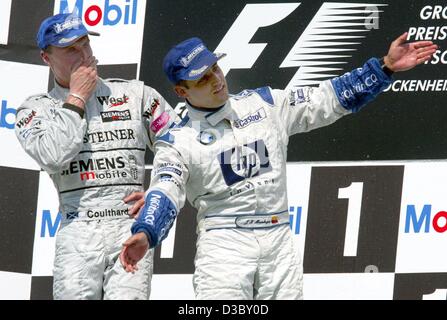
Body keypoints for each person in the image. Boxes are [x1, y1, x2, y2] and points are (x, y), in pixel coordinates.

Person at [120, 34, 437, 299]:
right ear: (181, 91)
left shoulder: (265, 103)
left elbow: (325, 100)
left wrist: (383, 68)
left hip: (278, 238)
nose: (216, 80)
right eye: (202, 78)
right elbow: (165, 187)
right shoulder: (178, 140)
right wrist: (146, 233)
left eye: (215, 68)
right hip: (224, 246)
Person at [14, 13, 179, 300]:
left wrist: (157, 193)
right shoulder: (35, 109)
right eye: (70, 50)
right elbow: (53, 155)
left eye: (85, 44)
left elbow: (179, 146)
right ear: (46, 58)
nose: (83, 55)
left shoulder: (135, 94)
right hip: (78, 230)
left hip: (128, 223)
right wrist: (77, 97)